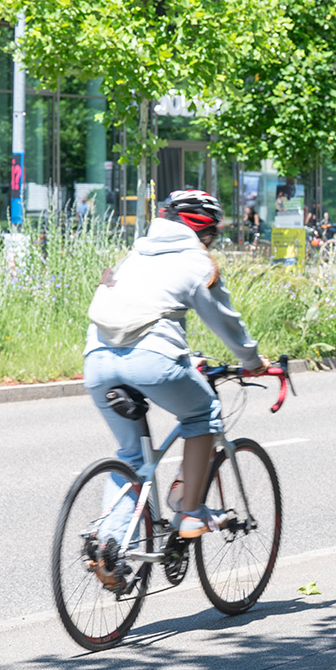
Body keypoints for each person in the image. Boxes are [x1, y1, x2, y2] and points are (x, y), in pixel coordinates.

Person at [83, 189, 268, 565]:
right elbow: (225, 322)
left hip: (97, 360)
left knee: (133, 457)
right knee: (203, 413)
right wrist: (252, 360)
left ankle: (109, 549)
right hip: (152, 360)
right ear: (204, 228)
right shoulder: (196, 261)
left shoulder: (132, 255)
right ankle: (190, 513)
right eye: (212, 234)